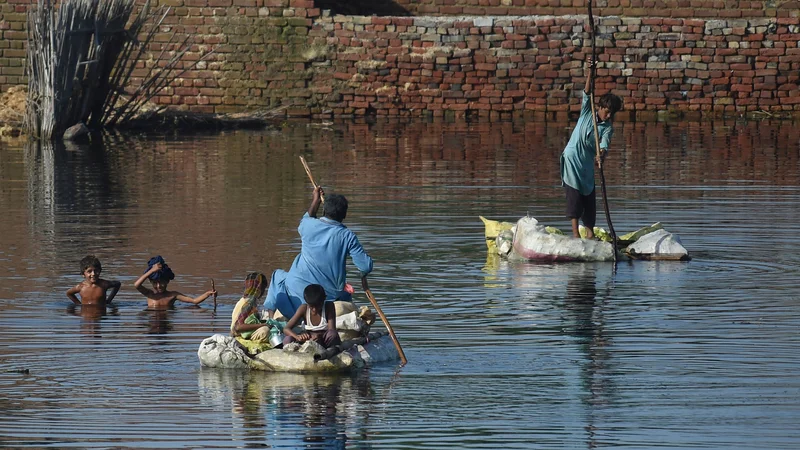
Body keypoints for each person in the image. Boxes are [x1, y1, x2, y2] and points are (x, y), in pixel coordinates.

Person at [264, 186, 373, 319]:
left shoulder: (307, 226)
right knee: (345, 294)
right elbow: (365, 266)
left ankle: (269, 317)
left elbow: (308, 216)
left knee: (277, 276)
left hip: (297, 292)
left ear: (324, 210)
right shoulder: (347, 235)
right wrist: (363, 274)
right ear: (344, 215)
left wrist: (315, 200)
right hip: (327, 296)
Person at [560, 57, 624, 239]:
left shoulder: (607, 128)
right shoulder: (587, 111)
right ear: (600, 107)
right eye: (606, 111)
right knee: (574, 197)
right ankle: (575, 234)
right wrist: (590, 71)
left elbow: (604, 145)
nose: (608, 115)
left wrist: (601, 155)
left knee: (589, 196)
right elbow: (587, 92)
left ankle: (589, 233)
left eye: (612, 113)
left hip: (587, 166)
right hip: (572, 160)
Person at [133, 256, 215, 309]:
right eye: (155, 283)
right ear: (150, 281)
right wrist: (151, 271)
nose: (158, 286)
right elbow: (137, 285)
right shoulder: (149, 294)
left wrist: (208, 294)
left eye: (161, 283)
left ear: (167, 281)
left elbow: (194, 301)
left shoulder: (172, 295)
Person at [282, 284, 341, 348]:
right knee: (288, 339)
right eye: (311, 306)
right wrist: (298, 337)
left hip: (324, 340)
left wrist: (318, 336)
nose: (314, 309)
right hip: (308, 340)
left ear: (324, 299)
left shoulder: (329, 306)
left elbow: (331, 330)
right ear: (307, 302)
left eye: (318, 306)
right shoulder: (303, 309)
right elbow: (286, 329)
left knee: (332, 334)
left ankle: (330, 351)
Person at [230, 272, 271, 343]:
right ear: (258, 288)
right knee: (266, 331)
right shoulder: (249, 303)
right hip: (239, 336)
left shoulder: (246, 300)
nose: (263, 292)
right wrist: (264, 324)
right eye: (263, 289)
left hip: (241, 334)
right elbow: (238, 327)